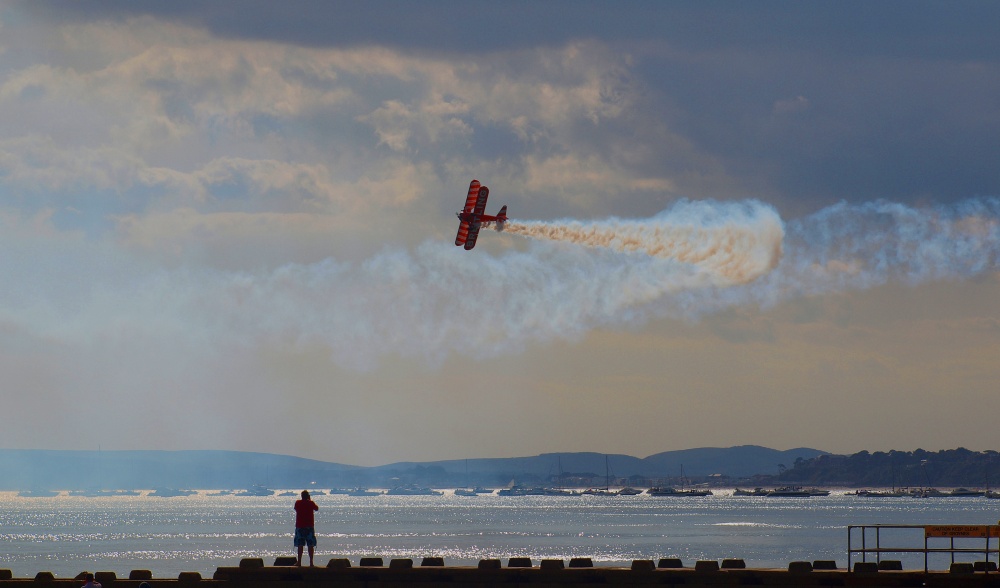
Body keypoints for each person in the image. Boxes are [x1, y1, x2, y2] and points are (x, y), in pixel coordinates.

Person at [293, 489, 319, 566]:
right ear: (308, 496)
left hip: (300, 526)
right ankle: (311, 562)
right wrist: (309, 500)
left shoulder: (298, 503)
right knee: (310, 545)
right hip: (309, 527)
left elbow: (295, 509)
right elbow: (316, 508)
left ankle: (299, 562)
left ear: (301, 496)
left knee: (300, 545)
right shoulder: (311, 503)